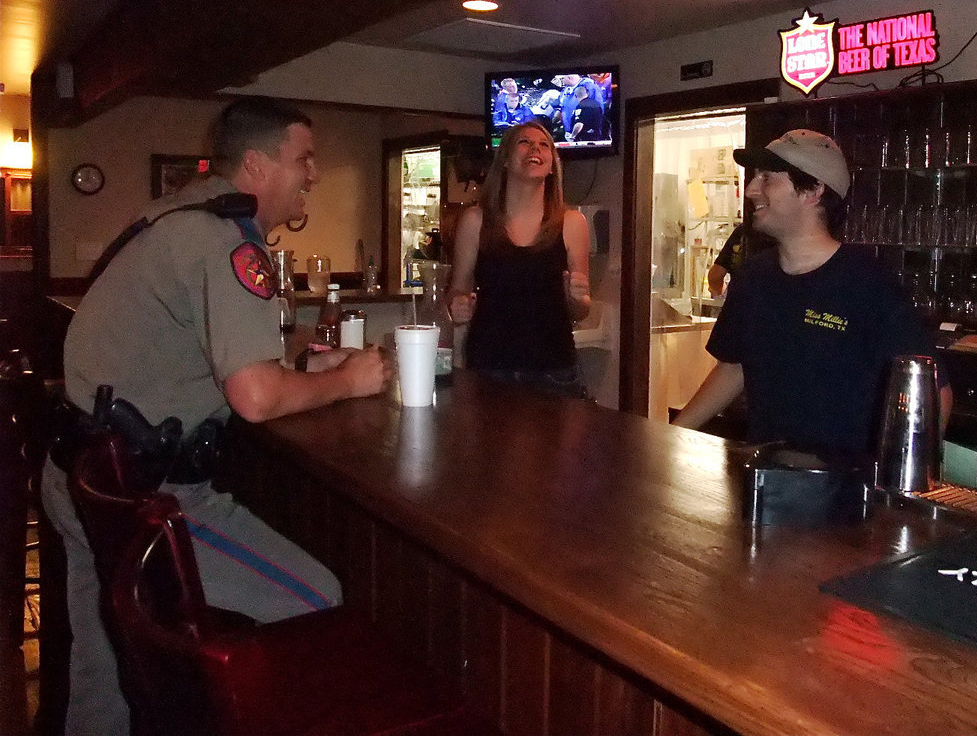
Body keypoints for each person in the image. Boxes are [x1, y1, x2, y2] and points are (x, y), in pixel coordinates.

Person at [42, 96, 390, 736]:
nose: (313, 174)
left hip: (82, 471)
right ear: (257, 167)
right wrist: (348, 379)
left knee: (104, 663)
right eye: (304, 159)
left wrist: (302, 370)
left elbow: (202, 349)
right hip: (152, 491)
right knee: (318, 603)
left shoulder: (170, 215)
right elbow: (255, 398)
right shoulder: (224, 241)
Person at [674, 128, 952, 456]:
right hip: (765, 481)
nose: (750, 190)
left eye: (767, 178)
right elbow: (734, 368)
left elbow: (937, 393)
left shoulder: (869, 284)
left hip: (844, 494)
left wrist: (896, 484)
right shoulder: (753, 277)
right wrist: (673, 436)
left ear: (813, 190)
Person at [448, 121, 592, 398]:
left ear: (552, 166)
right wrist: (458, 304)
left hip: (554, 371)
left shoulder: (573, 223)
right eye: (524, 142)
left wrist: (576, 297)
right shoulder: (475, 221)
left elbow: (580, 311)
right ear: (504, 161)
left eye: (544, 145)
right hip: (489, 368)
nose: (535, 149)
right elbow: (457, 290)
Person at [706, 220, 774, 297]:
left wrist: (721, 293)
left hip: (740, 302)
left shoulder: (743, 231)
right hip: (774, 302)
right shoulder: (784, 233)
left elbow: (715, 276)